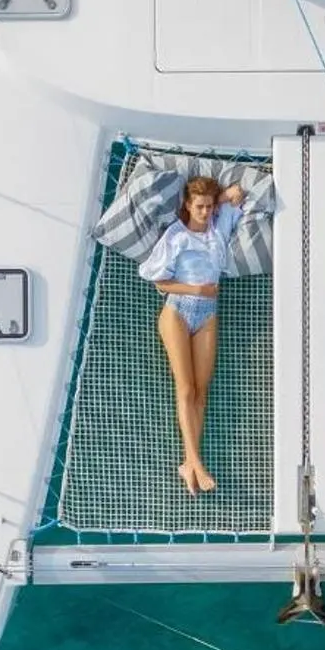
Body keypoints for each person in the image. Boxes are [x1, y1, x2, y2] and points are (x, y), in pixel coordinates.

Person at [139, 175, 245, 494]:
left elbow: (238, 193)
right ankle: (196, 462)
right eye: (199, 206)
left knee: (201, 391)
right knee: (185, 389)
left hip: (208, 313)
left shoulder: (218, 227)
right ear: (187, 205)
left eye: (209, 207)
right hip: (178, 310)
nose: (204, 212)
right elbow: (156, 279)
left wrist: (222, 197)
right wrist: (196, 287)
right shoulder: (177, 235)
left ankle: (188, 463)